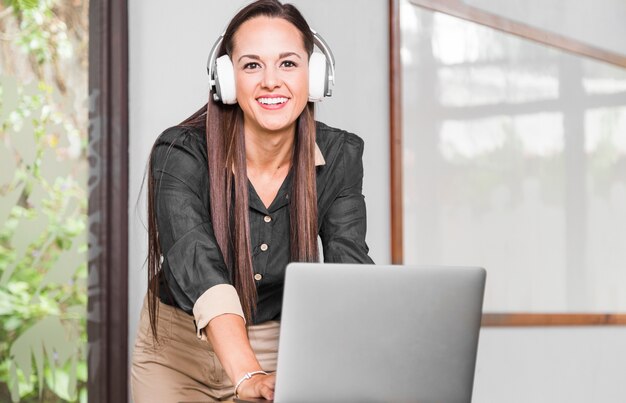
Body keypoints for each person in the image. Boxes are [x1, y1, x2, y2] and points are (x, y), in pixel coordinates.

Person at [130, 0, 373, 401]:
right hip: (177, 355)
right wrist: (246, 374)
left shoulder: (340, 155)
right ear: (226, 78)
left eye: (289, 64)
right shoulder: (179, 153)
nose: (271, 81)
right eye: (252, 65)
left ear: (315, 77)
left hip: (278, 349)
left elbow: (349, 267)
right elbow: (197, 262)